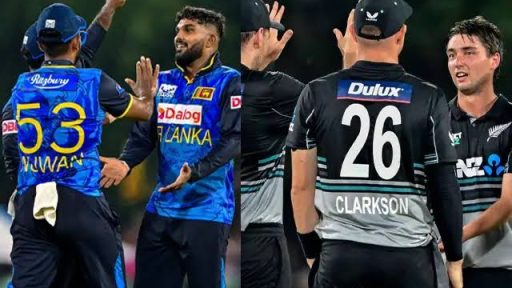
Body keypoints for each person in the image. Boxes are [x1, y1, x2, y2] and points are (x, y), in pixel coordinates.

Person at [286, 0, 464, 287]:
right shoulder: (428, 98)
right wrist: (455, 259)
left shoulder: (316, 94)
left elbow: (300, 188)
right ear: (401, 35)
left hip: (340, 256)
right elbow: (445, 189)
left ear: (353, 34)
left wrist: (313, 253)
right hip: (408, 260)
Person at [3, 3, 159, 287]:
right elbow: (146, 112)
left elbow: (12, 154)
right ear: (75, 42)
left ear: (40, 44)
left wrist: (109, 8)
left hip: (31, 205)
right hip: (81, 203)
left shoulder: (20, 87)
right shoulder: (90, 80)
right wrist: (145, 95)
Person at [99, 6, 240, 287]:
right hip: (160, 212)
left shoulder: (230, 81)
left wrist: (196, 171)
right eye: (178, 30)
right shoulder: (162, 83)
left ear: (211, 41)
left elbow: (235, 138)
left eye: (189, 30)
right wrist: (125, 163)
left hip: (207, 212)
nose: (179, 36)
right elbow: (144, 136)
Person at [444, 16, 512, 287]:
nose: (457, 62)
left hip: (501, 272)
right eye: (451, 55)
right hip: (443, 271)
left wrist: (456, 238)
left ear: (494, 60)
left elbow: (508, 203)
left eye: (469, 53)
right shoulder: (433, 124)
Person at [240, 0, 302, 287]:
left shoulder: (213, 85)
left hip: (212, 232)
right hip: (260, 241)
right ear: (259, 37)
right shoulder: (277, 91)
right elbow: (333, 108)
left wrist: (260, 63)